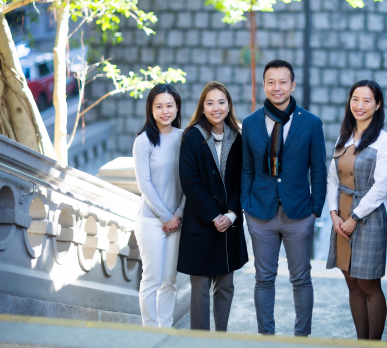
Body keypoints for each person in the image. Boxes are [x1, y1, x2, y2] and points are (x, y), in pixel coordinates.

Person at [241, 59, 327, 336]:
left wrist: (316, 209)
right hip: (260, 212)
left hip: (299, 213)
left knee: (301, 279)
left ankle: (302, 338)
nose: (277, 87)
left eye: (282, 82)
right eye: (271, 82)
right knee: (263, 279)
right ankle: (266, 337)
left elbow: (319, 169)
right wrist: (246, 204)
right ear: (264, 85)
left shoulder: (311, 123)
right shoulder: (251, 123)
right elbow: (246, 168)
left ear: (292, 84)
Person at [326, 80, 387, 340]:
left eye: (367, 100)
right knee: (351, 283)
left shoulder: (384, 141)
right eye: (355, 99)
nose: (360, 105)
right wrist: (334, 213)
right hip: (341, 215)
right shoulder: (344, 135)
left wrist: (354, 217)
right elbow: (332, 179)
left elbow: (382, 188)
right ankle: (361, 342)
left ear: (378, 105)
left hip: (367, 217)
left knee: (368, 284)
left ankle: (374, 344)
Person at [177, 81, 248, 331]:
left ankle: (221, 337)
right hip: (201, 223)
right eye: (210, 103)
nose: (216, 108)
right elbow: (190, 182)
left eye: (221, 102)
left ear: (229, 106)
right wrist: (214, 215)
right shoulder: (192, 137)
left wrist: (230, 214)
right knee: (200, 289)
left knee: (226, 285)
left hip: (229, 224)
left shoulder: (239, 137)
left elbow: (243, 179)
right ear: (203, 108)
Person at [132, 83, 185, 327]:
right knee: (151, 279)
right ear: (151, 110)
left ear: (177, 107)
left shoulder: (184, 138)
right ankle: (150, 332)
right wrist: (166, 217)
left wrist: (178, 214)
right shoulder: (143, 141)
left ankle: (166, 330)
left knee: (169, 280)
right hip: (152, 221)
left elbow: (190, 181)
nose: (165, 111)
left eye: (169, 106)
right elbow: (145, 185)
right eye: (159, 106)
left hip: (177, 219)